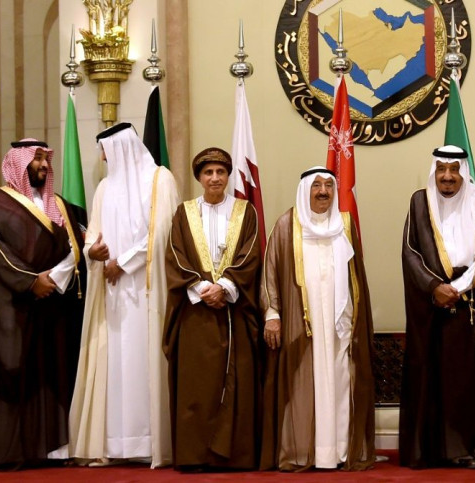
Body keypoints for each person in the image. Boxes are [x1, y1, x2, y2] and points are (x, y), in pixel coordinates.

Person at [68, 123, 179, 467]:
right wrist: (94, 254)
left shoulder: (160, 179)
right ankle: (115, 444)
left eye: (104, 149)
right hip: (111, 294)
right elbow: (92, 235)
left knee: (143, 360)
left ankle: (150, 444)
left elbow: (163, 232)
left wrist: (124, 263)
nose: (102, 156)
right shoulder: (104, 188)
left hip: (147, 291)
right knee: (114, 362)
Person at [0, 139, 85, 469]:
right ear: (18, 163)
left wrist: (55, 279)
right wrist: (30, 281)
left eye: (46, 160)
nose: (44, 166)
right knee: (11, 373)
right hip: (11, 305)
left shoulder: (58, 204)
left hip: (52, 305)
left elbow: (74, 246)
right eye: (36, 160)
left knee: (50, 374)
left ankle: (47, 450)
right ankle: (8, 453)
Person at [259, 167, 375, 471]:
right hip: (302, 323)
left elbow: (357, 277)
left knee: (339, 382)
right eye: (316, 186)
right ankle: (302, 451)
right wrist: (273, 314)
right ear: (305, 190)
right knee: (302, 384)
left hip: (339, 324)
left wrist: (355, 320)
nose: (323, 191)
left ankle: (336, 451)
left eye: (328, 186)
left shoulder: (344, 225)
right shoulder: (286, 225)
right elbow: (269, 273)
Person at [399, 145, 475, 469]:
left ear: (463, 172)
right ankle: (429, 450)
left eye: (453, 170)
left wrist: (457, 287)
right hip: (431, 304)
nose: (446, 177)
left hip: (469, 302)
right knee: (431, 377)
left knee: (470, 381)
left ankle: (473, 450)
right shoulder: (420, 201)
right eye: (441, 169)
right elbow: (410, 252)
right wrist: (434, 288)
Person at [163, 148, 261, 471]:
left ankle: (235, 457)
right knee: (197, 386)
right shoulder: (184, 213)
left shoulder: (246, 212)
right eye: (208, 173)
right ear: (199, 178)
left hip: (234, 310)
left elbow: (250, 255)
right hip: (197, 312)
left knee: (238, 384)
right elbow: (176, 256)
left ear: (228, 175)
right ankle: (195, 455)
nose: (215, 178)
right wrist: (202, 289)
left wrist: (226, 287)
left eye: (220, 172)